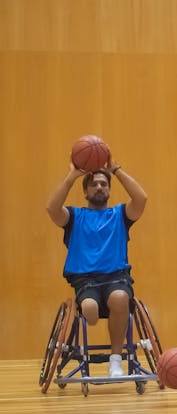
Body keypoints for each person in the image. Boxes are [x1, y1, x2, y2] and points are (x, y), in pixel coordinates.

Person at [47, 159, 148, 378]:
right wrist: (71, 177)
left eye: (104, 184)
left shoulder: (120, 215)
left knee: (120, 298)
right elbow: (52, 208)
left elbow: (141, 198)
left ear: (110, 190)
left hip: (116, 278)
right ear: (85, 192)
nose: (100, 187)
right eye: (94, 184)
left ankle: (115, 362)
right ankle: (89, 307)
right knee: (90, 302)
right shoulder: (74, 217)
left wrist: (117, 170)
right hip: (86, 280)